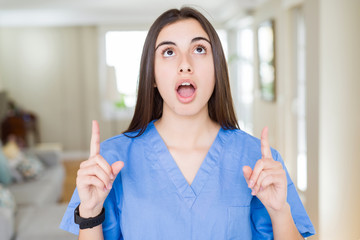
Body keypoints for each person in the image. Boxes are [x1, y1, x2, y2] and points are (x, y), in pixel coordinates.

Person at [60, 7, 315, 240]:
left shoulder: (258, 162)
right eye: (169, 52)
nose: (185, 64)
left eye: (199, 49)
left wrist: (280, 212)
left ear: (217, 70)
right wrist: (90, 213)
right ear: (153, 76)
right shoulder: (110, 161)